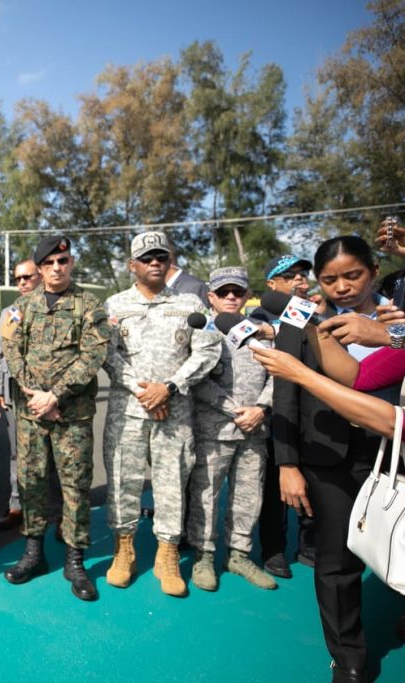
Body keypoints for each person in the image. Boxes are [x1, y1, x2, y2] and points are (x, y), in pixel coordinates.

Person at [270, 235, 391, 683]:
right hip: (329, 458)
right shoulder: (299, 320)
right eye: (329, 279)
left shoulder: (397, 319)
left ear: (374, 270)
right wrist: (287, 464)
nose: (342, 287)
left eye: (353, 275)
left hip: (393, 451)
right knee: (336, 560)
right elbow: (286, 394)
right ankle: (349, 657)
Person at [102, 231, 221, 597]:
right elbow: (107, 354)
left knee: (171, 483)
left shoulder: (191, 304)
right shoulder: (114, 304)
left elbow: (208, 350)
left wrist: (168, 387)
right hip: (129, 409)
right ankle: (125, 551)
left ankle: (167, 555)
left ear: (170, 261)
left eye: (161, 256)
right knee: (124, 480)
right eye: (147, 258)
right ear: (132, 265)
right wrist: (144, 390)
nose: (155, 262)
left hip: (174, 408)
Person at [0, 235, 111, 600]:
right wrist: (35, 394)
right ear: (40, 268)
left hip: (71, 415)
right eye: (49, 263)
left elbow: (92, 355)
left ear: (71, 263)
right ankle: (33, 553)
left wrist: (55, 395)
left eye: (62, 261)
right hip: (32, 414)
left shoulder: (88, 305)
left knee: (75, 486)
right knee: (31, 482)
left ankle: (75, 561)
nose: (56, 268)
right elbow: (11, 349)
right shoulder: (23, 307)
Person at [186, 267, 276, 591]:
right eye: (223, 292)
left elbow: (277, 373)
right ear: (210, 296)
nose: (230, 298)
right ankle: (204, 555)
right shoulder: (201, 331)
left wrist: (262, 409)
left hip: (255, 428)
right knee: (206, 496)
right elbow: (196, 380)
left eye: (236, 292)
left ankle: (238, 555)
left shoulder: (261, 331)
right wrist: (235, 410)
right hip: (215, 430)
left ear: (245, 295)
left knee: (249, 495)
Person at [248, 253, 318, 579]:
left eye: (303, 275)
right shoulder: (256, 320)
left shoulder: (316, 315)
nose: (300, 281)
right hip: (277, 415)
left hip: (317, 418)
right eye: (290, 276)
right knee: (276, 490)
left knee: (316, 484)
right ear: (272, 285)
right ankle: (274, 549)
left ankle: (310, 545)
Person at [0, 258, 42, 532]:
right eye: (18, 278)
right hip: (14, 394)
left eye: (27, 277)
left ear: (41, 276)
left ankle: (55, 513)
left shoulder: (54, 308)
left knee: (52, 457)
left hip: (45, 396)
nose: (22, 283)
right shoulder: (11, 313)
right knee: (16, 453)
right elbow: (0, 354)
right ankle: (16, 506)